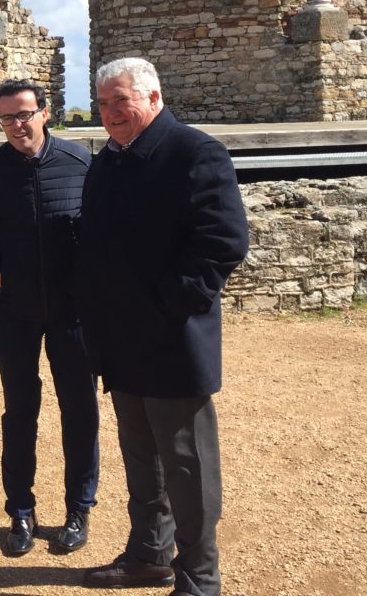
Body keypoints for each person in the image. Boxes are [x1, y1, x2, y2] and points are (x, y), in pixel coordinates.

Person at [77, 58, 248, 596]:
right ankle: (149, 554)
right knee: (142, 458)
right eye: (103, 103)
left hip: (173, 343)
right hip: (122, 345)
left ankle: (199, 579)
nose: (110, 113)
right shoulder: (108, 161)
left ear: (153, 97)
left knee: (187, 466)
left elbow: (223, 244)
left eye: (120, 100)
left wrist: (170, 310)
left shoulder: (195, 152)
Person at [0, 79, 99, 557]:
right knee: (20, 412)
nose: (17, 125)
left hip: (73, 313)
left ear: (45, 113)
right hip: (16, 312)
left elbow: (101, 231)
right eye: (7, 118)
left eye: (24, 114)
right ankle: (20, 512)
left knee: (79, 411)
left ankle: (79, 508)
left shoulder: (81, 162)